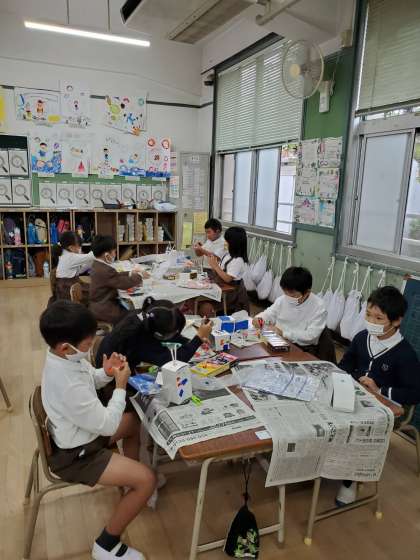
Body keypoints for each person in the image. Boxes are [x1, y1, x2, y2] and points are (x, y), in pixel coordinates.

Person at [40, 301, 155, 560]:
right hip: (76, 456)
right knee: (147, 479)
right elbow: (107, 424)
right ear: (65, 347)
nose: (91, 345)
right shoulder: (67, 384)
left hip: (81, 435)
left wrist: (105, 372)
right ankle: (106, 544)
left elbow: (89, 378)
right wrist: (120, 386)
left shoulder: (63, 358)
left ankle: (130, 484)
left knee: (132, 422)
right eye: (87, 343)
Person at [336, 285, 420, 506]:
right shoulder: (362, 337)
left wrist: (379, 390)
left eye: (379, 318)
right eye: (368, 314)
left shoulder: (405, 354)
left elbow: (415, 393)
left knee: (359, 427)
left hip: (389, 406)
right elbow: (344, 365)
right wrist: (352, 378)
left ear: (396, 321)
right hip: (357, 394)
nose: (371, 321)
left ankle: (350, 481)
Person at [96, 296, 212, 372]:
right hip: (112, 377)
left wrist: (187, 341)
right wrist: (198, 338)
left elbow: (171, 336)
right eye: (173, 332)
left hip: (116, 359)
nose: (176, 334)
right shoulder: (141, 340)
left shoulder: (145, 317)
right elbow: (174, 361)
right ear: (159, 335)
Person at [253, 266, 327, 347]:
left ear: (307, 293)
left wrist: (283, 333)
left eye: (293, 295)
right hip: (277, 340)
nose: (288, 297)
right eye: (285, 292)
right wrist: (259, 318)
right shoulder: (282, 299)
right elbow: (269, 314)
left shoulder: (318, 306)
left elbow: (311, 336)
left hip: (301, 346)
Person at [89, 235, 144, 326]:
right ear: (107, 255)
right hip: (104, 309)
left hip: (98, 305)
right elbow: (124, 284)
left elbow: (115, 276)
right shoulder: (105, 270)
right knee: (137, 313)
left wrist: (130, 273)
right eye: (114, 252)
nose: (115, 254)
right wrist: (140, 275)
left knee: (131, 307)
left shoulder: (97, 264)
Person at [200, 226, 250, 316]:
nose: (224, 242)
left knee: (205, 307)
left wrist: (215, 266)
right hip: (222, 290)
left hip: (231, 296)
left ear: (233, 243)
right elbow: (220, 273)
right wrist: (213, 269)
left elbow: (227, 279)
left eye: (226, 241)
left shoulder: (238, 260)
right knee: (195, 300)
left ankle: (212, 321)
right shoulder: (227, 255)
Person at [50, 230, 94, 303]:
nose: (79, 249)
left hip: (67, 285)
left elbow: (80, 270)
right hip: (68, 288)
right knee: (96, 292)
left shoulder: (64, 254)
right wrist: (101, 247)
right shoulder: (70, 257)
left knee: (94, 290)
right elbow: (91, 256)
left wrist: (89, 264)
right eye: (78, 247)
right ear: (71, 247)